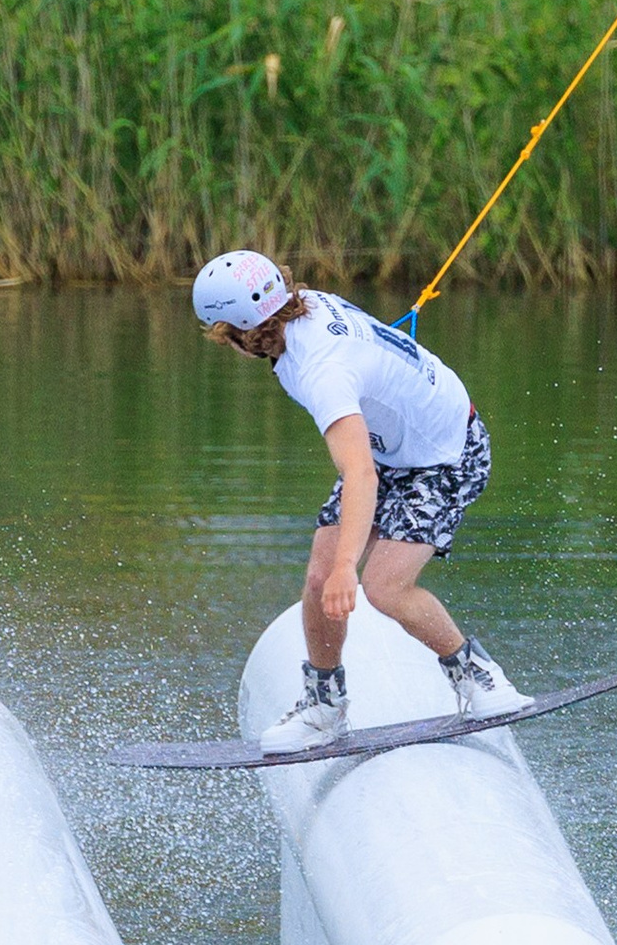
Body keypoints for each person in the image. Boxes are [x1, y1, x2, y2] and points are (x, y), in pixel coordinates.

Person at [193, 250, 532, 752]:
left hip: (447, 453)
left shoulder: (321, 373)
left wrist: (347, 566)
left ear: (239, 332)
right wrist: (333, 567)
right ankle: (325, 706)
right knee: (318, 575)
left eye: (222, 335)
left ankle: (478, 676)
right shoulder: (302, 305)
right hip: (393, 447)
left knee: (383, 586)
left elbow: (359, 474)